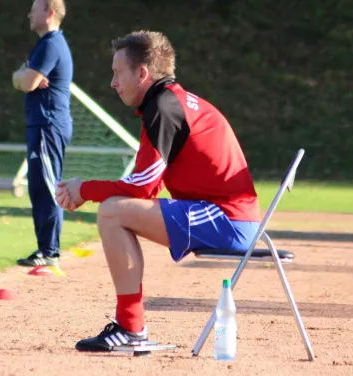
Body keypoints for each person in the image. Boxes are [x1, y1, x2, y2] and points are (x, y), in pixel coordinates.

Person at [55, 30, 261, 352]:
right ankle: (130, 326)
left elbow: (143, 187)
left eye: (117, 72)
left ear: (142, 73)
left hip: (228, 221)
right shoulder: (169, 102)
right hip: (229, 217)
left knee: (110, 211)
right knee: (113, 208)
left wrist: (85, 189)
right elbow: (148, 183)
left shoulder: (164, 108)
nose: (113, 82)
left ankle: (130, 327)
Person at [12, 0, 73, 267]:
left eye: (34, 10)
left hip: (48, 125)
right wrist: (23, 75)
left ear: (49, 13)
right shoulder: (45, 44)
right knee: (39, 186)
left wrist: (24, 75)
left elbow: (27, 82)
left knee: (46, 187)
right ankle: (46, 249)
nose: (29, 15)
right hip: (42, 124)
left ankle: (49, 251)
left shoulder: (51, 44)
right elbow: (25, 79)